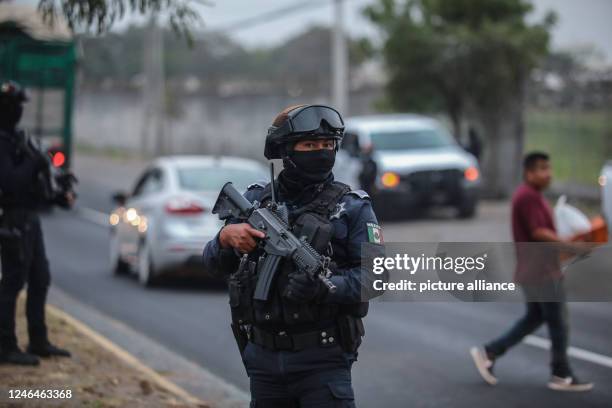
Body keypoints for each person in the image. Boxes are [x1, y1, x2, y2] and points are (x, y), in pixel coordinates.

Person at [203, 104, 386, 407]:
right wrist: (225, 239)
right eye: (310, 145)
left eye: (327, 145)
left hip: (322, 361)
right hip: (263, 361)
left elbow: (375, 276)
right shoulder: (254, 200)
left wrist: (326, 288)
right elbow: (213, 262)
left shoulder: (352, 207)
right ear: (286, 151)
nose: (321, 152)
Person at [470, 152, 593, 392]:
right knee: (558, 322)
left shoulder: (531, 196)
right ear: (529, 173)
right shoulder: (527, 197)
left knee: (535, 317)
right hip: (541, 272)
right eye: (542, 169)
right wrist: (570, 246)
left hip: (537, 269)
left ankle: (490, 351)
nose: (548, 174)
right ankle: (561, 373)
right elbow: (539, 232)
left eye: (549, 168)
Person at [0, 81, 73, 366]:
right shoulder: (2, 142)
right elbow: (11, 181)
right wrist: (37, 162)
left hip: (29, 217)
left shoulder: (16, 138)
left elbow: (33, 181)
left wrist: (57, 195)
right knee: (13, 282)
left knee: (40, 278)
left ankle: (38, 339)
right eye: (14, 106)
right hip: (12, 219)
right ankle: (5, 345)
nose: (19, 111)